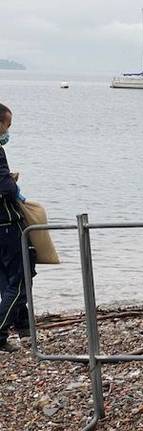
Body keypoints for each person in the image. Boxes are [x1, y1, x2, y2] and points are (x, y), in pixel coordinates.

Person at [0, 103, 31, 353]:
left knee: (5, 280)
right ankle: (0, 333)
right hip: (7, 224)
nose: (8, 131)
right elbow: (7, 190)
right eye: (7, 126)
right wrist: (11, 181)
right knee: (21, 281)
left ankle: (23, 325)